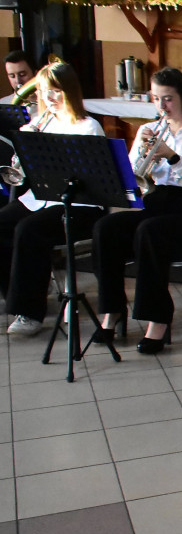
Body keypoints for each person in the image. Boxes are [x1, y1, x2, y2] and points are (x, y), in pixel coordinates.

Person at [92, 67, 182, 354]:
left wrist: (173, 157)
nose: (161, 106)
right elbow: (131, 177)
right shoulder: (148, 130)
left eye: (168, 99)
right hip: (157, 200)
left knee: (149, 232)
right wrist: (142, 155)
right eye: (156, 99)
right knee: (106, 228)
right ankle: (111, 311)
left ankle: (157, 319)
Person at [4, 62, 106, 336]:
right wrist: (25, 153)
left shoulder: (88, 127)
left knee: (29, 230)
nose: (50, 99)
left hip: (80, 205)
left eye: (56, 92)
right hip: (41, 198)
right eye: (45, 92)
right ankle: (16, 291)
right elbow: (29, 176)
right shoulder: (40, 124)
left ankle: (29, 312)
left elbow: (94, 177)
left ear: (70, 92)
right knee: (3, 222)